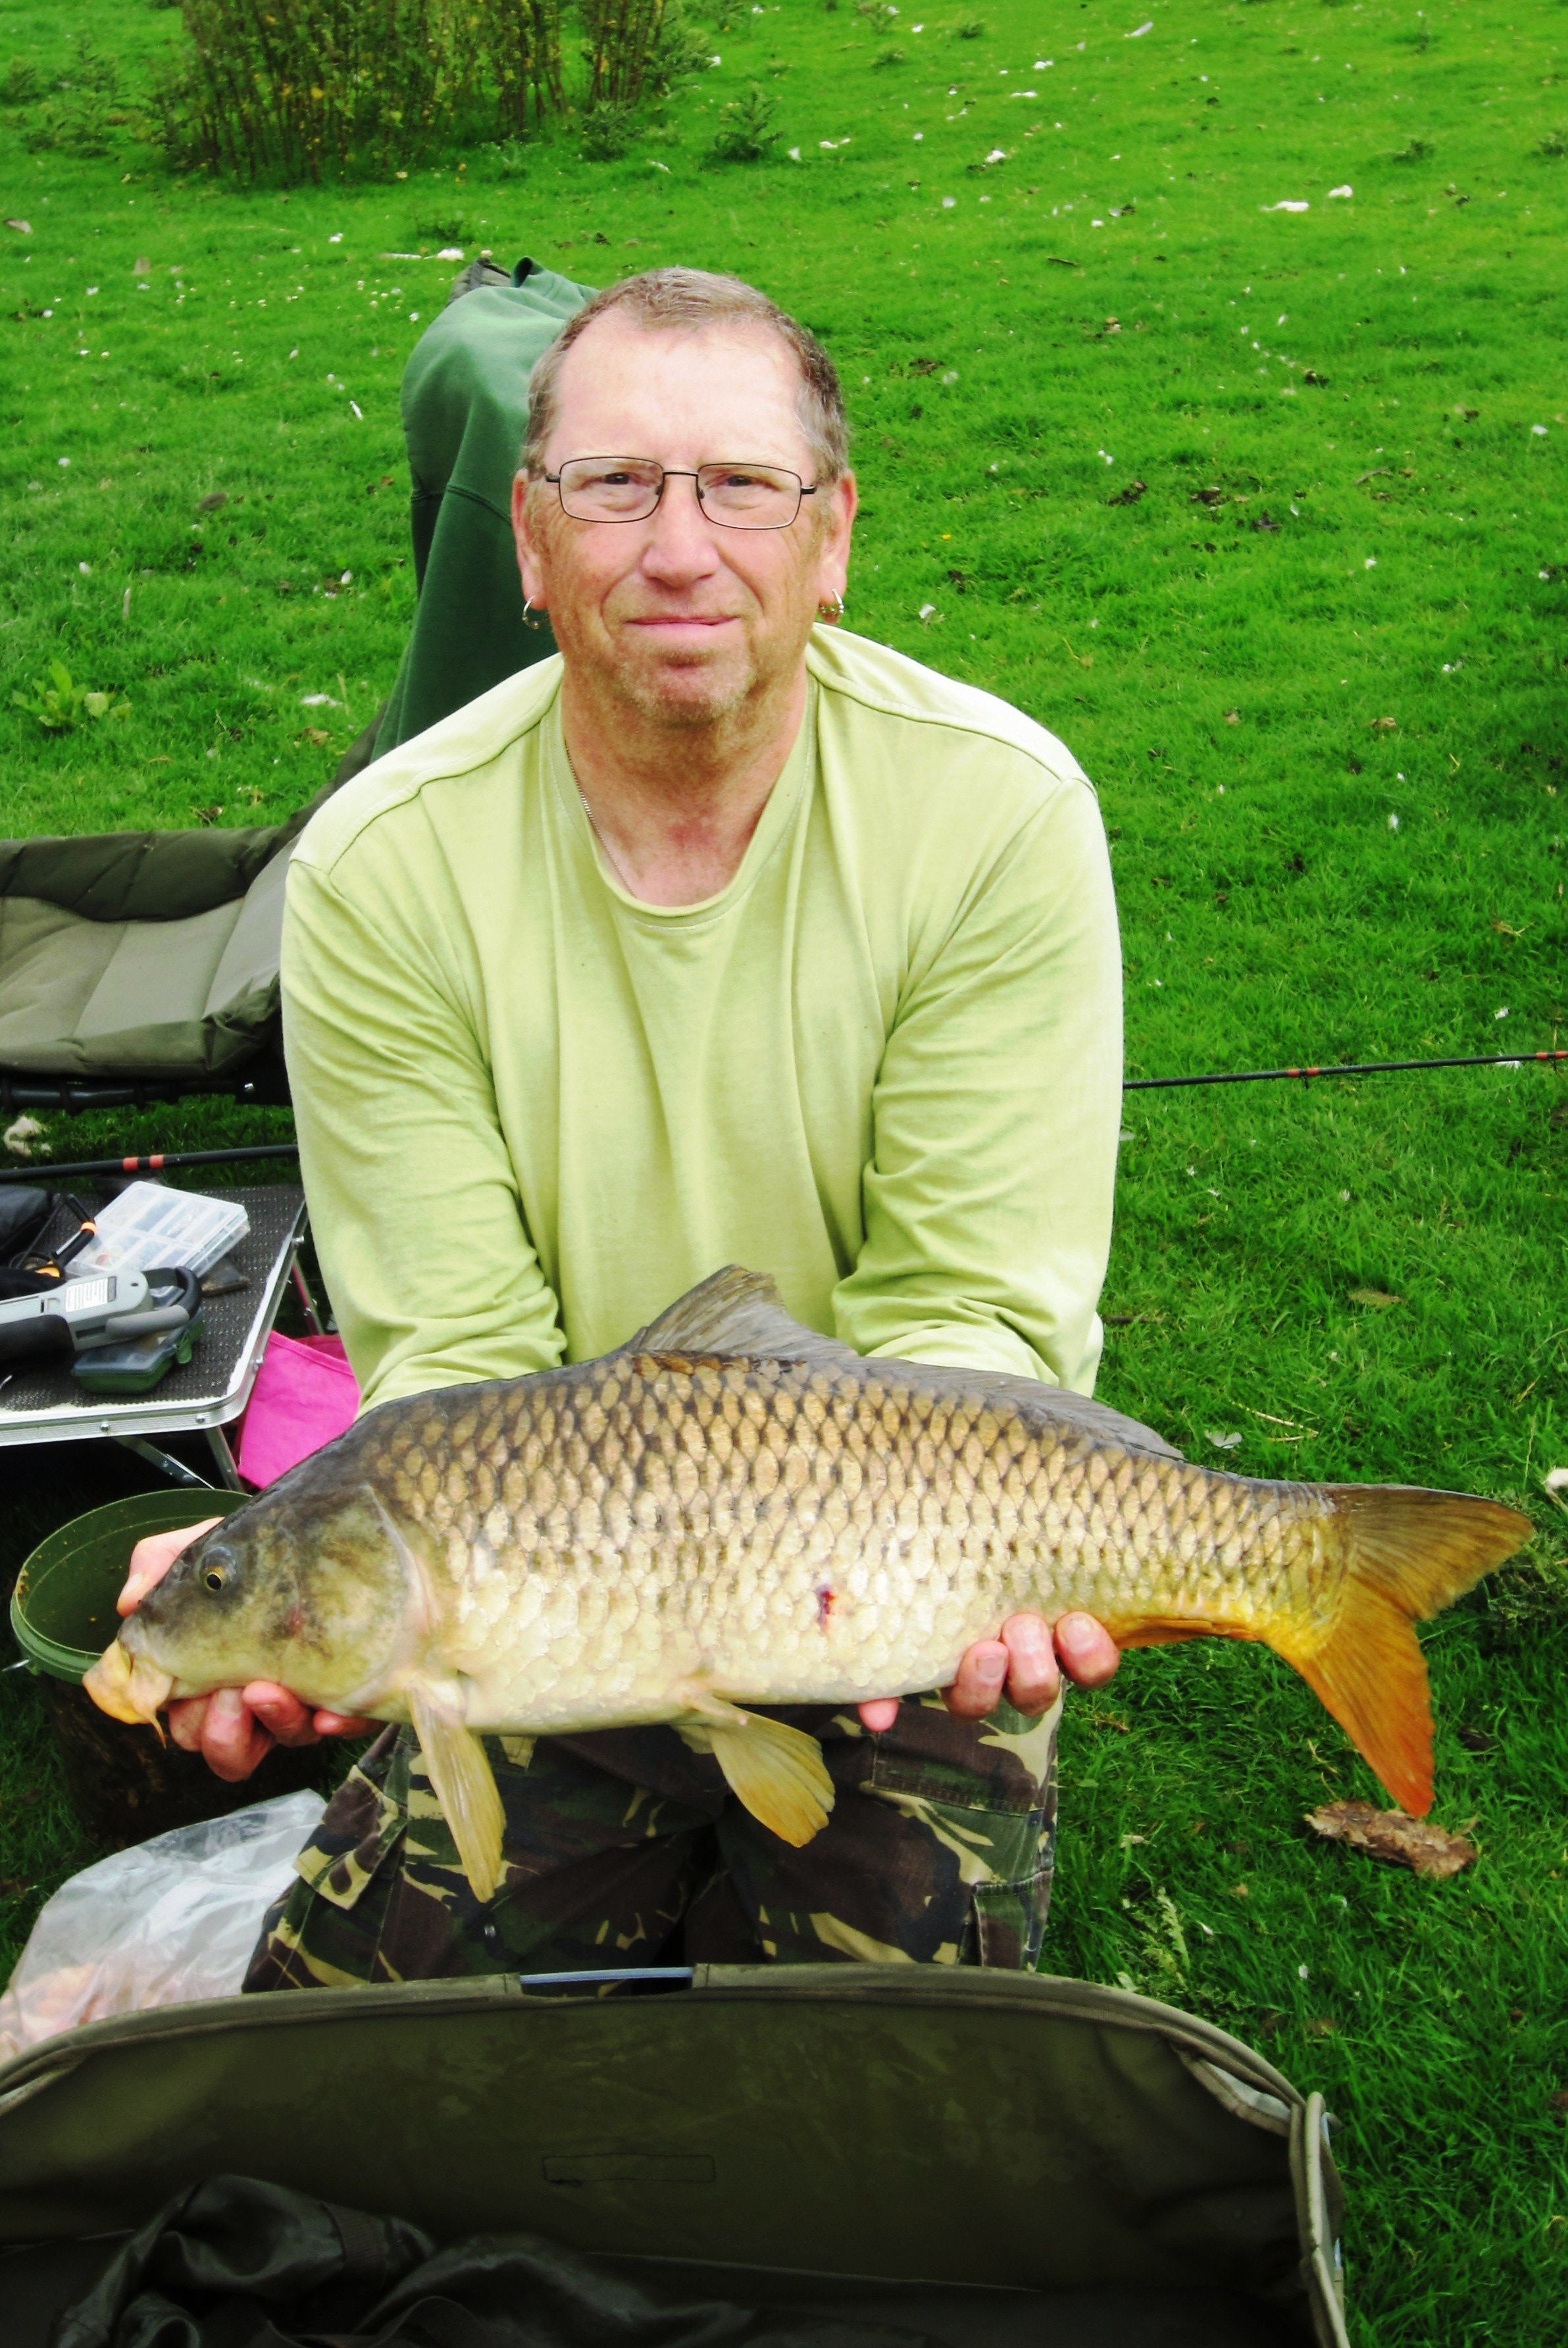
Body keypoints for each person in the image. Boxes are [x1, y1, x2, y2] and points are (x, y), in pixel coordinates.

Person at [120, 267, 1126, 1987]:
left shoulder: (997, 815)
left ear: (834, 534)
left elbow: (978, 1316)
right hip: (532, 1572)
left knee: (883, 2066)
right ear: (526, 536)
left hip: (894, 1548)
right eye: (616, 486)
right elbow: (448, 1360)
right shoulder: (382, 867)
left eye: (743, 486)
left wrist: (892, 1576)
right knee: (366, 2053)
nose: (681, 549)